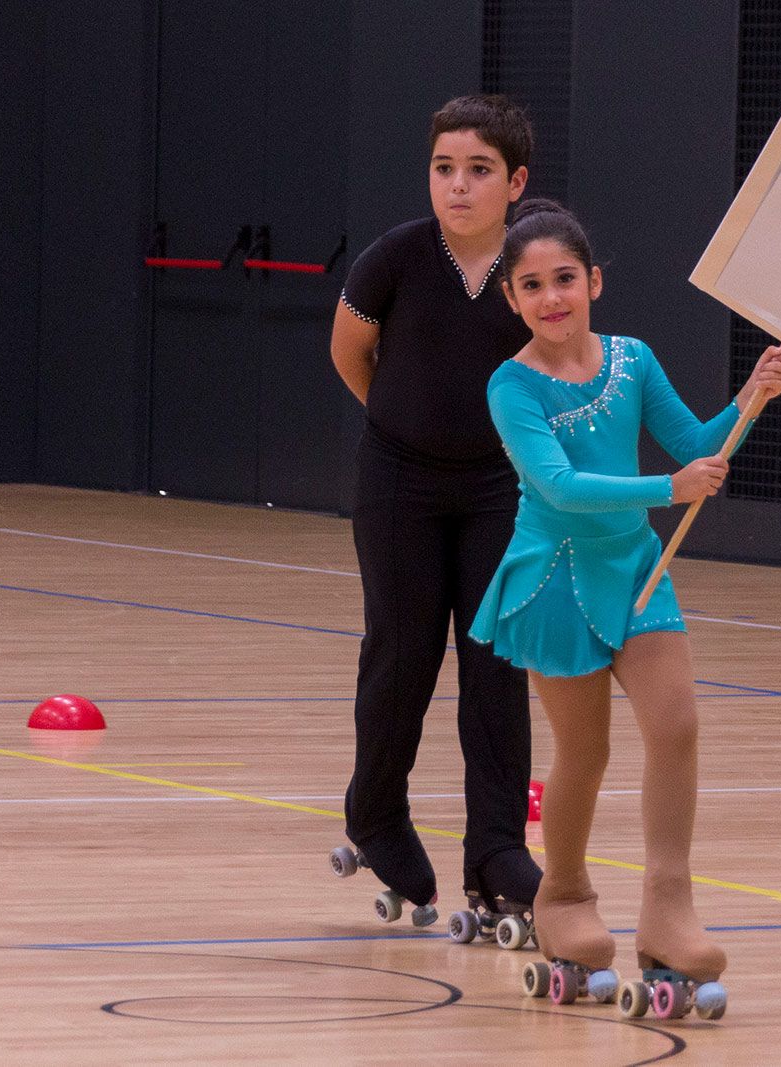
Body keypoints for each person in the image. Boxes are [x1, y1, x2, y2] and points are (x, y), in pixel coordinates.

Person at [468, 199, 781, 1015]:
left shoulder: (633, 360)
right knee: (585, 754)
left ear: (594, 281)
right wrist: (667, 489)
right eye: (532, 285)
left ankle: (668, 907)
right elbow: (560, 486)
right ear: (511, 298)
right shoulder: (511, 388)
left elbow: (698, 450)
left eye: (565, 280)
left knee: (676, 724)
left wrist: (751, 399)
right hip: (556, 579)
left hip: (639, 573)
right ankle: (565, 895)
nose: (551, 298)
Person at [328, 95, 542, 927]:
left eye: (478, 170)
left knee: (496, 663)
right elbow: (350, 350)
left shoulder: (533, 266)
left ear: (515, 182)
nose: (457, 186)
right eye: (443, 168)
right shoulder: (395, 258)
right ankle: (376, 812)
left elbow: (559, 359)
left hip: (497, 487)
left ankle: (495, 846)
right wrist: (401, 421)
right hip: (398, 485)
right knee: (402, 654)